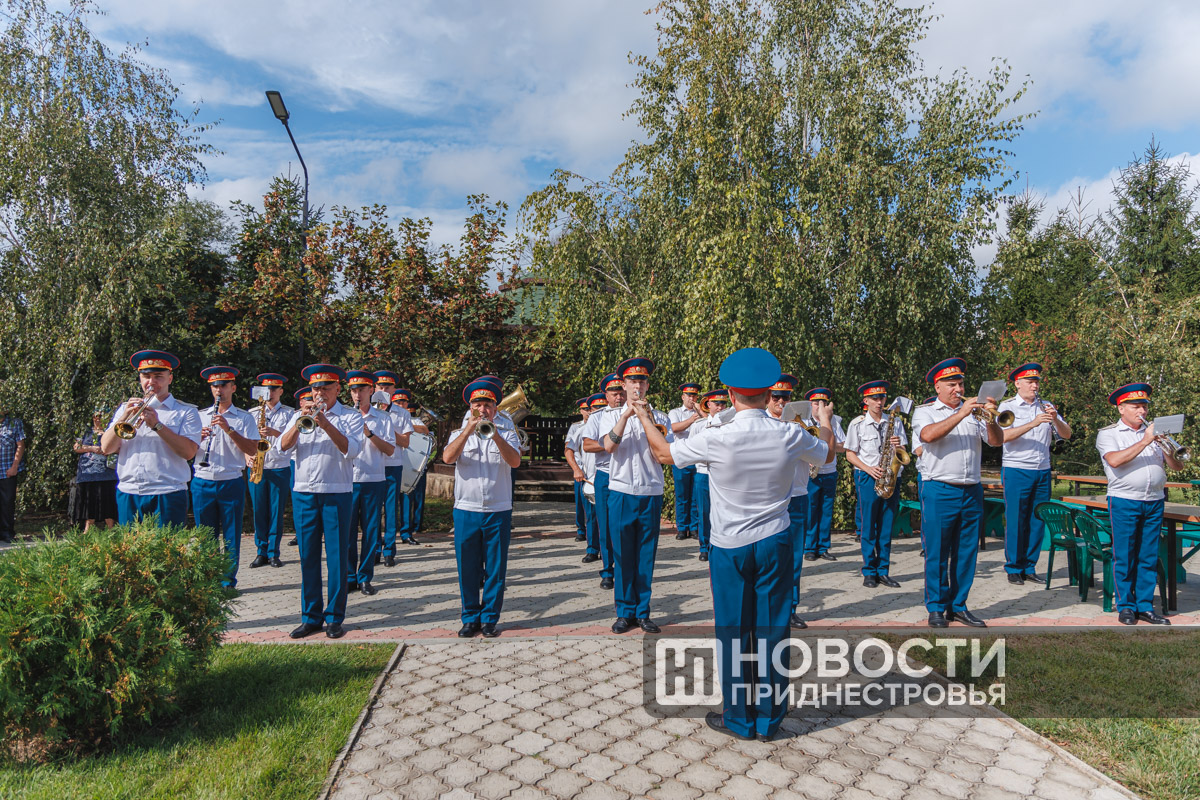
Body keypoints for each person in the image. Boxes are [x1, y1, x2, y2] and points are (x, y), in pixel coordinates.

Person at [641, 348, 832, 741]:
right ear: (769, 394)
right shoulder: (790, 433)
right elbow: (827, 453)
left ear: (730, 394)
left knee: (733, 631)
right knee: (773, 629)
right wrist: (825, 421)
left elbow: (662, 453)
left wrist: (643, 416)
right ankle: (769, 720)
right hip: (775, 539)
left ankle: (740, 719)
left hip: (729, 545)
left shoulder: (717, 437)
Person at [909, 358, 1004, 628]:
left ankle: (958, 606)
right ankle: (936, 608)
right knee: (937, 551)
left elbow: (996, 441)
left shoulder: (974, 412)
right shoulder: (925, 412)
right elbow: (928, 436)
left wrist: (991, 418)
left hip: (971, 489)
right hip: (939, 488)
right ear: (937, 387)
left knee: (966, 552)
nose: (958, 389)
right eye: (952, 384)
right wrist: (961, 413)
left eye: (960, 384)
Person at [279, 364, 364, 640]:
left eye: (326, 388)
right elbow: (282, 447)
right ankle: (310, 617)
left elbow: (352, 450)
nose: (320, 394)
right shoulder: (298, 415)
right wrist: (300, 422)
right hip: (304, 492)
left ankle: (334, 618)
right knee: (308, 556)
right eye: (316, 389)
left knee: (337, 556)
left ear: (337, 389)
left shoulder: (350, 416)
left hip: (336, 492)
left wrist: (325, 422)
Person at [1096, 383, 1183, 625]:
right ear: (1121, 408)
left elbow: (1177, 466)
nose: (1142, 411)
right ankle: (1125, 606)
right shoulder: (1109, 434)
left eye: (1144, 406)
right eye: (1136, 406)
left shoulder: (1155, 433)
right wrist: (1146, 441)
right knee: (1124, 555)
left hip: (1154, 500)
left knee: (1148, 555)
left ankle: (1145, 605)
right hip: (1124, 500)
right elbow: (1115, 461)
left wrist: (1166, 447)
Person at [442, 378, 522, 638]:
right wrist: (468, 430)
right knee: (467, 567)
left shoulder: (507, 432)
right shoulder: (458, 433)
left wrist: (495, 434)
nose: (482, 409)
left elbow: (515, 462)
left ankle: (489, 618)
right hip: (466, 508)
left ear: (495, 408)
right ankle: (469, 617)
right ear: (471, 407)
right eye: (477, 405)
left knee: (495, 569)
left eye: (487, 405)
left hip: (498, 508)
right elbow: (448, 457)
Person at [601, 357, 674, 634]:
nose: (637, 386)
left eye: (642, 381)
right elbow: (609, 446)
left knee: (645, 555)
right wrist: (626, 416)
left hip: (650, 491)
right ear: (624, 385)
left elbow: (666, 455)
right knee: (622, 554)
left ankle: (642, 612)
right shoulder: (609, 416)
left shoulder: (661, 418)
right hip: (621, 491)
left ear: (647, 386)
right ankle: (624, 612)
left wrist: (646, 418)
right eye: (632, 381)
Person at [101, 350, 201, 527]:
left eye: (158, 377)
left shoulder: (185, 411)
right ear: (140, 379)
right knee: (129, 545)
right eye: (146, 376)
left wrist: (157, 425)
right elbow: (106, 448)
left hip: (167, 492)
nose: (151, 382)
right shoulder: (125, 408)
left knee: (168, 545)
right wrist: (124, 417)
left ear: (170, 379)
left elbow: (188, 452)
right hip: (129, 491)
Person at [998, 363, 1073, 584]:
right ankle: (1013, 567)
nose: (1034, 386)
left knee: (1037, 520)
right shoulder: (1007, 406)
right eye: (1030, 382)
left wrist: (1055, 419)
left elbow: (1067, 434)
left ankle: (1029, 566)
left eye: (1036, 382)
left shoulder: (1046, 405)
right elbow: (1002, 437)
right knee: (1016, 519)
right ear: (1017, 384)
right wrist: (1033, 423)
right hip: (1017, 469)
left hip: (1042, 469)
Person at [192, 366, 261, 589]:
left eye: (223, 385)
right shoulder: (198, 416)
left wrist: (229, 429)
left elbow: (252, 449)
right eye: (214, 386)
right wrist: (196, 438)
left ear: (233, 388)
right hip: (202, 480)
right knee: (205, 535)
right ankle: (209, 580)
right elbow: (185, 450)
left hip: (231, 480)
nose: (218, 390)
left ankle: (228, 581)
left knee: (231, 533)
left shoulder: (244, 417)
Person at [844, 381, 908, 588]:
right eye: (875, 398)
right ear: (866, 401)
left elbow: (903, 450)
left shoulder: (895, 422)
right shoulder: (857, 424)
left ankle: (883, 571)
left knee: (886, 526)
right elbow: (850, 454)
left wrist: (898, 445)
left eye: (882, 398)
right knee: (868, 525)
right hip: (868, 477)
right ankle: (869, 571)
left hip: (891, 476)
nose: (879, 402)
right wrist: (868, 468)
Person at [764, 374, 814, 625]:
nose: (781, 402)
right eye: (776, 397)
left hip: (797, 495)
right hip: (769, 499)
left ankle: (790, 608)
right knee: (769, 557)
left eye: (785, 397)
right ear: (767, 398)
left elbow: (820, 456)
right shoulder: (761, 423)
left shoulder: (803, 423)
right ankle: (767, 607)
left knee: (794, 558)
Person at [346, 371, 396, 595]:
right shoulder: (345, 416)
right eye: (354, 391)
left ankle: (365, 576)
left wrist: (369, 434)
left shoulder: (383, 418)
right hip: (347, 480)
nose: (358, 395)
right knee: (347, 532)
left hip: (373, 479)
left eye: (362, 390)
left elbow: (390, 450)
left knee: (370, 530)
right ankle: (349, 576)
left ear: (370, 391)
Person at [580, 373, 625, 588]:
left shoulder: (635, 413)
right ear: (606, 395)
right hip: (605, 474)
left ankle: (625, 570)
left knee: (625, 525)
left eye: (621, 392)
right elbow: (587, 445)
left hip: (627, 474)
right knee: (605, 524)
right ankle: (607, 570)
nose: (619, 397)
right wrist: (610, 443)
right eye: (614, 393)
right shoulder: (597, 417)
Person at [247, 373, 294, 568]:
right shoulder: (252, 413)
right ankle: (261, 551)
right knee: (258, 510)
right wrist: (246, 457)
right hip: (258, 466)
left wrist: (275, 432)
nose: (270, 393)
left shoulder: (289, 414)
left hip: (279, 466)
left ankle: (274, 552)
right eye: (267, 390)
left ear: (280, 391)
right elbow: (244, 440)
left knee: (276, 511)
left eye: (274, 389)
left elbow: (294, 439)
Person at [803, 387, 845, 561]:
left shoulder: (834, 421)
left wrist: (830, 440)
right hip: (811, 473)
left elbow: (843, 446)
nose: (820, 406)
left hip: (829, 471)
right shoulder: (803, 421)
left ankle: (823, 547)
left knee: (826, 511)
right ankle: (809, 547)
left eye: (824, 403)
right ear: (810, 405)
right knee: (811, 510)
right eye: (816, 403)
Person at [695, 389, 731, 563]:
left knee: (723, 510)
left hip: (723, 473)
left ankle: (721, 545)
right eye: (717, 404)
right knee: (704, 511)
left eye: (723, 404)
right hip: (703, 473)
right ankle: (704, 546)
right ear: (708, 404)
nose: (720, 407)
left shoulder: (730, 424)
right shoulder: (699, 425)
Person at [70, 411, 118, 532]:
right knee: (89, 501)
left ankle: (111, 529)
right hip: (87, 473)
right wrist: (92, 448)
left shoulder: (111, 431)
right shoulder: (85, 432)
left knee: (107, 501)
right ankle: (88, 530)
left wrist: (106, 449)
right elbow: (77, 447)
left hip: (107, 474)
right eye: (95, 417)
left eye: (100, 417)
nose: (98, 419)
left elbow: (119, 447)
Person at [667, 383, 703, 540]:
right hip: (681, 457)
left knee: (695, 495)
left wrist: (700, 413)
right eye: (689, 395)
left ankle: (694, 527)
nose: (692, 398)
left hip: (696, 458)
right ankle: (682, 528)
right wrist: (692, 419)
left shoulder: (700, 412)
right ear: (683, 397)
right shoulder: (675, 412)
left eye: (694, 395)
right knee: (682, 495)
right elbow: (674, 428)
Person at [386, 386, 418, 551]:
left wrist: (383, 427)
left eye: (387, 387)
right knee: (372, 510)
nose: (384, 390)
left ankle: (391, 547)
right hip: (371, 466)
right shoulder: (365, 410)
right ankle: (375, 547)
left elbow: (406, 441)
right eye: (380, 386)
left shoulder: (403, 414)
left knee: (395, 505)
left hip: (395, 463)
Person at [565, 397, 593, 543]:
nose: (588, 412)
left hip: (594, 470)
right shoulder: (576, 427)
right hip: (581, 469)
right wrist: (576, 468)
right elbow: (568, 448)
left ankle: (592, 532)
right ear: (581, 411)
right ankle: (581, 529)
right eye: (585, 409)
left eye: (589, 409)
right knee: (580, 502)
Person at [0, 409, 25, 543]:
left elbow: (20, 445)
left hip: (7, 471)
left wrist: (14, 466)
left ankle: (7, 532)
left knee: (7, 502)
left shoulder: (15, 423)